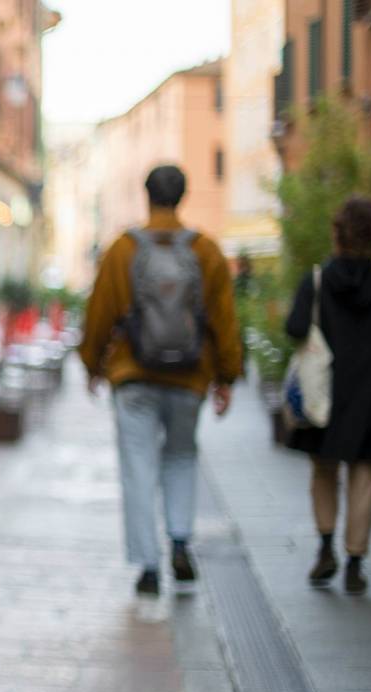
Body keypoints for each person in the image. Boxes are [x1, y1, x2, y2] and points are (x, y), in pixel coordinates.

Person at [79, 165, 243, 596]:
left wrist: (91, 364)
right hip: (190, 377)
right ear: (183, 196)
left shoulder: (122, 250)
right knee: (182, 456)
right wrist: (226, 376)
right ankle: (180, 539)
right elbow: (224, 319)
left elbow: (98, 314)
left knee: (137, 467)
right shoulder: (206, 251)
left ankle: (148, 567)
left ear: (146, 195)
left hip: (133, 376)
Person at [285, 196, 371, 595]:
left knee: (323, 470)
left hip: (323, 395)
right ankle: (355, 560)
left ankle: (324, 546)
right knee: (363, 475)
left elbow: (296, 327)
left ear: (337, 234)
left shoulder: (317, 281)